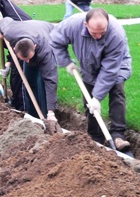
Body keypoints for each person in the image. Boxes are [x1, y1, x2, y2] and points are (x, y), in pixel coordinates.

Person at [49, 8, 132, 152]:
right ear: (86, 24)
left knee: (117, 91)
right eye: (95, 33)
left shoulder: (116, 34)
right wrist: (66, 62)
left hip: (116, 65)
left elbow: (109, 70)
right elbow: (55, 40)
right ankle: (96, 137)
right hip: (88, 66)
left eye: (102, 32)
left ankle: (118, 135)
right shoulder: (72, 25)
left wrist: (98, 97)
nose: (99, 36)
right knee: (89, 101)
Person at [0, 15, 57, 121]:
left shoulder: (46, 52)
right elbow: (5, 21)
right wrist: (0, 32)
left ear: (35, 47)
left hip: (49, 33)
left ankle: (46, 115)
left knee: (42, 82)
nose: (28, 62)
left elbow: (51, 81)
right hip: (28, 29)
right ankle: (33, 116)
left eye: (29, 58)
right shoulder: (10, 32)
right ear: (14, 49)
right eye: (24, 59)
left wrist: (51, 111)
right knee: (28, 81)